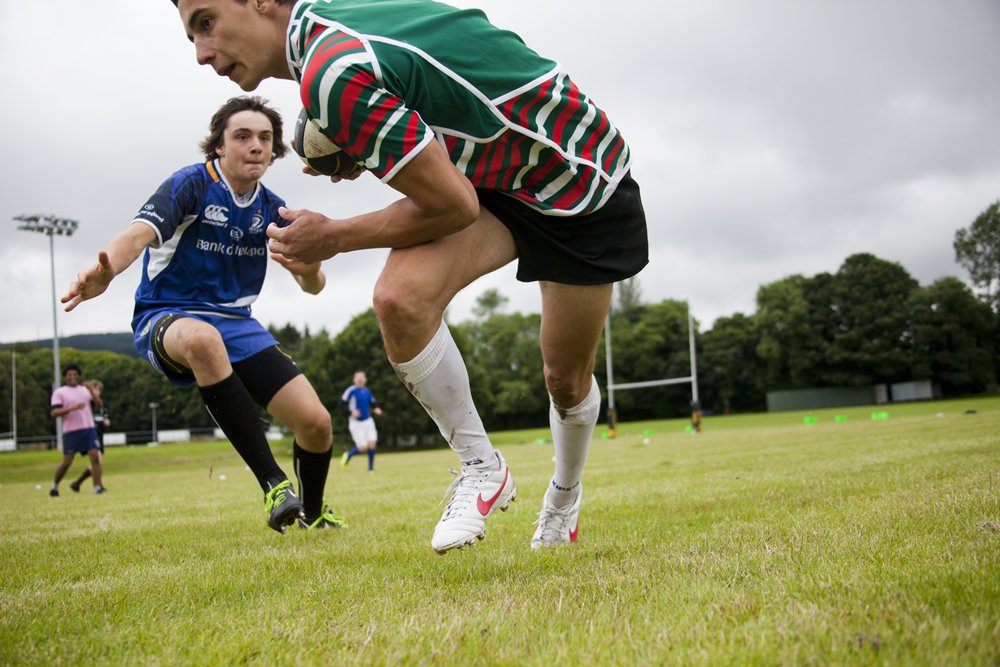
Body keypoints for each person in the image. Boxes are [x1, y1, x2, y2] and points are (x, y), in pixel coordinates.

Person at [171, 0, 648, 553]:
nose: (203, 54)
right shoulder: (331, 40)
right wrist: (366, 147)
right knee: (400, 299)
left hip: (579, 186)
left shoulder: (332, 72)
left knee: (565, 379)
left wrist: (332, 236)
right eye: (191, 38)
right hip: (492, 179)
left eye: (206, 23)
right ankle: (482, 468)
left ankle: (564, 498)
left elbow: (450, 207)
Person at [61, 95, 345, 533]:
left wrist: (309, 270)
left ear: (275, 150)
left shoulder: (275, 209)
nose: (256, 146)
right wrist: (108, 272)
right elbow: (138, 235)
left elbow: (314, 285)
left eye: (265, 138)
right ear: (219, 146)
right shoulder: (190, 185)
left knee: (316, 422)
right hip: (167, 315)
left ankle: (315, 512)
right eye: (243, 136)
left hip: (238, 323)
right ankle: (273, 484)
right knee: (201, 340)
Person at [49, 365, 105, 496]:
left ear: (78, 375)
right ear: (65, 377)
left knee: (95, 458)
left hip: (88, 429)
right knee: (67, 462)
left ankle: (97, 487)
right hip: (71, 431)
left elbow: (99, 405)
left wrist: (91, 390)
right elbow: (54, 412)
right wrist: (71, 408)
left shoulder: (85, 390)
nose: (72, 376)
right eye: (69, 374)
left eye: (75, 374)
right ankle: (55, 486)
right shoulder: (60, 392)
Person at [69, 379, 111, 493]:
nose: (97, 392)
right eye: (94, 389)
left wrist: (106, 421)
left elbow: (104, 416)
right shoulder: (88, 404)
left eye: (98, 390)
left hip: (100, 434)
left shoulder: (102, 404)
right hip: (92, 434)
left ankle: (85, 484)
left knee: (98, 461)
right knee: (97, 460)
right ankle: (80, 483)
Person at [339, 371, 383, 472]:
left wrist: (376, 409)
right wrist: (351, 412)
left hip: (368, 421)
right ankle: (348, 454)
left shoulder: (367, 391)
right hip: (356, 423)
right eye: (357, 377)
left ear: (365, 379)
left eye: (362, 377)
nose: (360, 379)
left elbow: (373, 403)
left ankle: (370, 468)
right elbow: (341, 405)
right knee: (363, 448)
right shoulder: (351, 390)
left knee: (372, 443)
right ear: (354, 380)